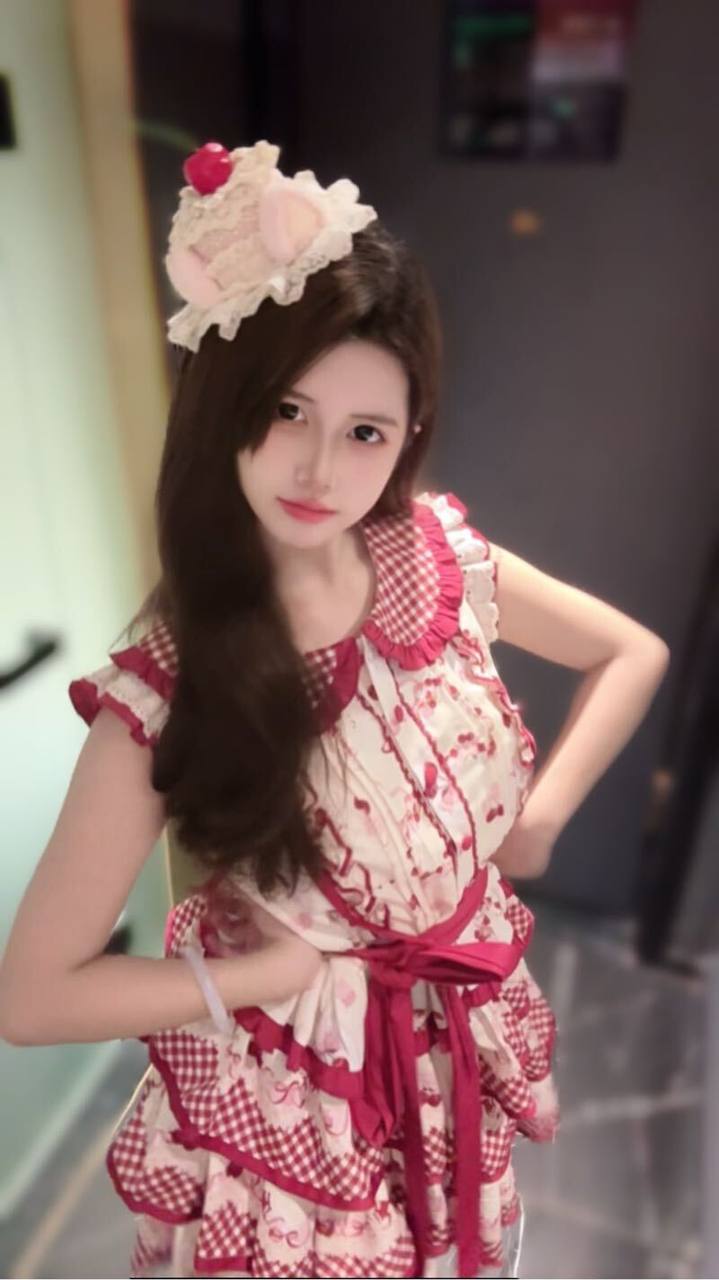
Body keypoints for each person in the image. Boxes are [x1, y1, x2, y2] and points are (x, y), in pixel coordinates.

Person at [0, 139, 670, 1280]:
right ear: (224, 405)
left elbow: (627, 651)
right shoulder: (168, 684)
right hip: (299, 1099)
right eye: (286, 410)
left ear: (407, 434)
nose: (318, 468)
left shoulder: (436, 558)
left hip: (451, 1040)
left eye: (365, 431)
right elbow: (33, 994)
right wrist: (260, 978)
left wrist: (541, 819)